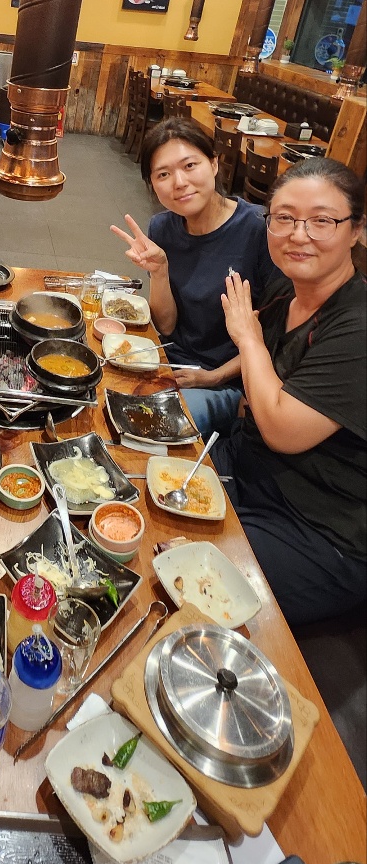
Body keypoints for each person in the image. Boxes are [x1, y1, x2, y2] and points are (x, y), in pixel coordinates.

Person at [215, 157, 366, 628]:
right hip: (251, 473)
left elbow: (281, 429)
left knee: (182, 575)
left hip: (318, 528)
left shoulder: (358, 327)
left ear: (357, 230)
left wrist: (248, 337)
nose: (298, 234)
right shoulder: (288, 291)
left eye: (322, 220)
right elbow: (261, 384)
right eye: (283, 218)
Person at [110, 117, 276, 437]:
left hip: (228, 381)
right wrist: (159, 272)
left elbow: (276, 337)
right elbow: (166, 327)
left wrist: (214, 377)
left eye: (190, 165)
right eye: (163, 174)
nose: (179, 182)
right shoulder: (161, 227)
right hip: (167, 361)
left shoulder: (259, 230)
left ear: (214, 163)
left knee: (147, 428)